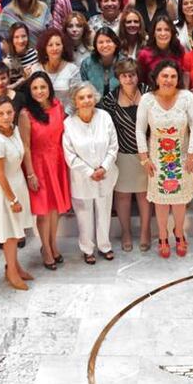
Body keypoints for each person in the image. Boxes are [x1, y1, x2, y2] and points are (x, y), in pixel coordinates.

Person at [136, 59, 193, 258]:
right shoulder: (147, 99)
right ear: (156, 78)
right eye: (164, 76)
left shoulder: (186, 97)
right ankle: (163, 235)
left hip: (182, 158)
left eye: (173, 76)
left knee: (180, 201)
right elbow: (139, 130)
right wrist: (144, 159)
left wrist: (191, 154)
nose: (169, 80)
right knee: (161, 201)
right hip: (157, 159)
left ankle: (179, 232)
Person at [98, 58, 152, 251]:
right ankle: (126, 232)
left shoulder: (147, 92)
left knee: (144, 195)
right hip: (121, 154)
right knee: (122, 196)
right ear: (118, 78)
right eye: (124, 76)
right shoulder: (111, 99)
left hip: (146, 154)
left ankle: (146, 231)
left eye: (132, 75)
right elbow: (104, 127)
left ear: (137, 76)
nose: (128, 79)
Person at [20, 71, 72, 269]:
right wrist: (30, 173)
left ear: (49, 88)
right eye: (35, 88)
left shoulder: (58, 106)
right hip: (39, 165)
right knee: (43, 211)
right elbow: (25, 146)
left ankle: (52, 244)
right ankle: (46, 248)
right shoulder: (26, 114)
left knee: (55, 210)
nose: (39, 91)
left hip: (57, 162)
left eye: (43, 87)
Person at [63, 82, 119, 264]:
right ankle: (87, 249)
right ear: (74, 101)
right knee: (83, 215)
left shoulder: (105, 117)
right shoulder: (69, 124)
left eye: (89, 96)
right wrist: (89, 171)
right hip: (82, 178)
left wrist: (104, 167)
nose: (86, 101)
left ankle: (105, 245)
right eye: (81, 98)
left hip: (105, 174)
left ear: (95, 97)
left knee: (104, 211)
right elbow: (69, 154)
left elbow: (113, 145)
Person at [0, 95, 35, 290]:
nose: (6, 117)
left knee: (18, 232)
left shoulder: (14, 130)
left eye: (9, 112)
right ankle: (11, 273)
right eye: (1, 114)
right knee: (10, 235)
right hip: (6, 190)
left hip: (18, 182)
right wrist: (12, 199)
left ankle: (15, 266)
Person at [138, 14, 187, 87]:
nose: (163, 33)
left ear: (172, 32)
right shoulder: (144, 54)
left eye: (167, 30)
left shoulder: (179, 49)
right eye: (159, 30)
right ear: (154, 33)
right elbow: (141, 81)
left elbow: (184, 75)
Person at [80, 27, 119, 97]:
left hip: (120, 105)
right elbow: (83, 90)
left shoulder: (124, 63)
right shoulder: (87, 64)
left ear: (115, 44)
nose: (105, 45)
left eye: (108, 41)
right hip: (93, 105)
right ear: (95, 45)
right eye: (100, 42)